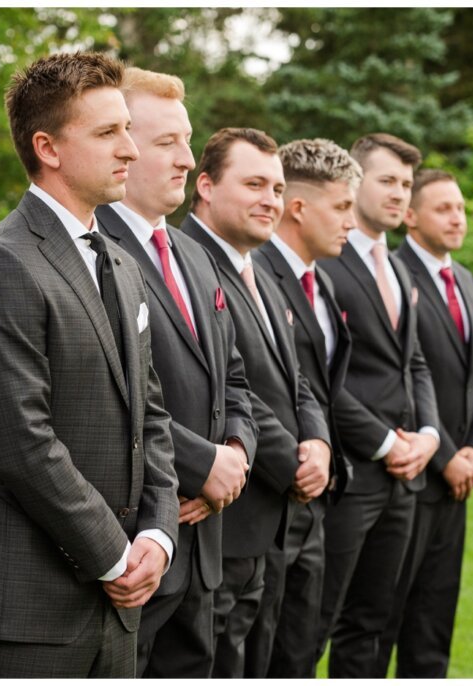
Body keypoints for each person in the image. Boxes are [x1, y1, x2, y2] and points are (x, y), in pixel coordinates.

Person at [0, 52, 179, 678]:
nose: (130, 149)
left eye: (128, 130)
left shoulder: (119, 263)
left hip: (119, 600)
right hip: (26, 604)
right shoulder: (1, 264)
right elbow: (23, 443)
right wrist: (114, 557)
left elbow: (150, 413)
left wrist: (158, 535)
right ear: (49, 147)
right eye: (107, 133)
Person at [94, 67, 258, 677]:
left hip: (206, 547)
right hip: (136, 545)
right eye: (168, 143)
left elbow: (234, 375)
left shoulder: (194, 252)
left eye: (187, 141)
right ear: (126, 147)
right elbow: (110, 394)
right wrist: (199, 465)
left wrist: (237, 452)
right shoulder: (90, 249)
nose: (187, 159)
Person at [180, 128, 331, 678]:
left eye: (276, 187)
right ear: (206, 186)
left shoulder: (261, 269)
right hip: (226, 516)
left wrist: (318, 440)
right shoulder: (188, 263)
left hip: (273, 518)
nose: (270, 199)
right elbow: (229, 388)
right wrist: (294, 462)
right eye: (254, 184)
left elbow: (295, 378)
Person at [315, 132, 440, 677]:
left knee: (373, 623)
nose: (399, 194)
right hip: (350, 474)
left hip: (405, 479)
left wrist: (429, 436)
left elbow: (414, 362)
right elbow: (319, 376)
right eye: (387, 180)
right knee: (315, 623)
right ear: (356, 181)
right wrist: (385, 442)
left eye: (407, 184)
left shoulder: (401, 268)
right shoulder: (328, 264)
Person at [248, 138, 358, 677]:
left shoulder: (324, 285)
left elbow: (315, 386)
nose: (351, 224)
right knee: (266, 656)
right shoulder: (257, 272)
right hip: (270, 495)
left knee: (302, 651)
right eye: (342, 208)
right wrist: (294, 458)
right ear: (299, 207)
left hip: (317, 494)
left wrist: (322, 450)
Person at [382, 169, 473, 677]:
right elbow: (406, 379)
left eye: (462, 208)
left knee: (435, 618)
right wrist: (447, 457)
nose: (458, 218)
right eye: (444, 208)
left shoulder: (466, 281)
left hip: (457, 484)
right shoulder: (390, 274)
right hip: (407, 479)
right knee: (383, 618)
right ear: (410, 217)